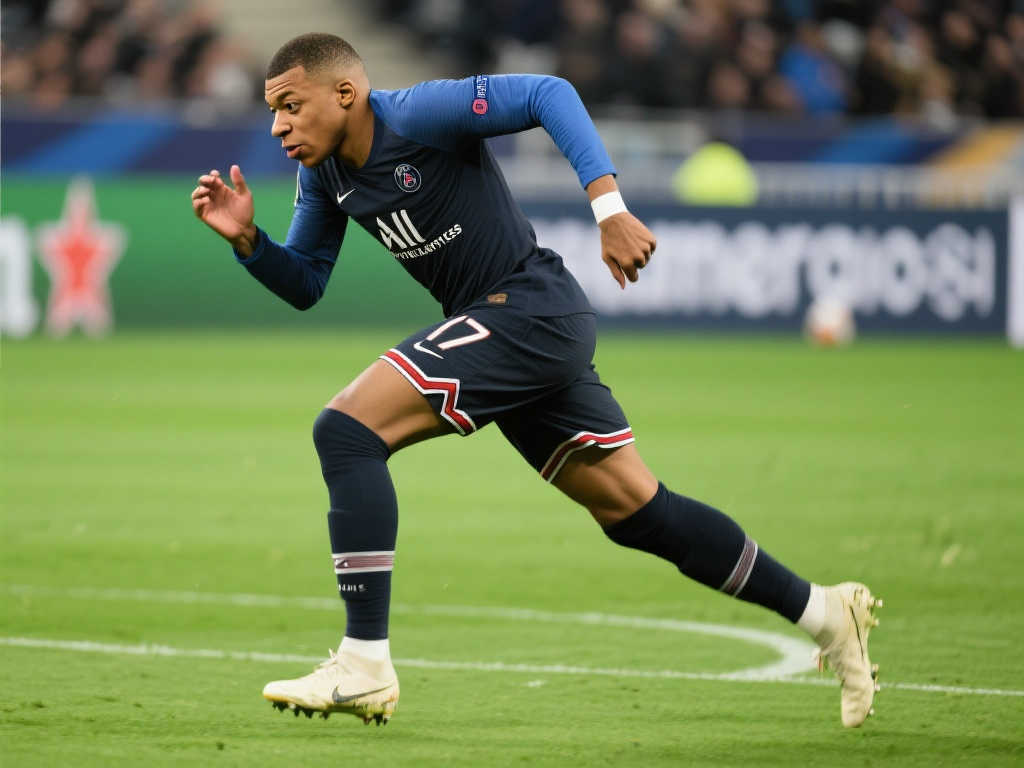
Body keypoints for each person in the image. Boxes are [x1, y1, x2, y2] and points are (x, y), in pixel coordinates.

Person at [190, 33, 881, 729]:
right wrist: (250, 242)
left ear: (345, 93)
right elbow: (306, 282)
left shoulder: (419, 115)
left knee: (346, 431)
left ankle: (364, 662)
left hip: (527, 309)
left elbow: (550, 94)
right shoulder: (325, 175)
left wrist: (609, 209)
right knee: (639, 512)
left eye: (290, 106)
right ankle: (825, 612)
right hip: (517, 328)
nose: (278, 126)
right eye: (273, 111)